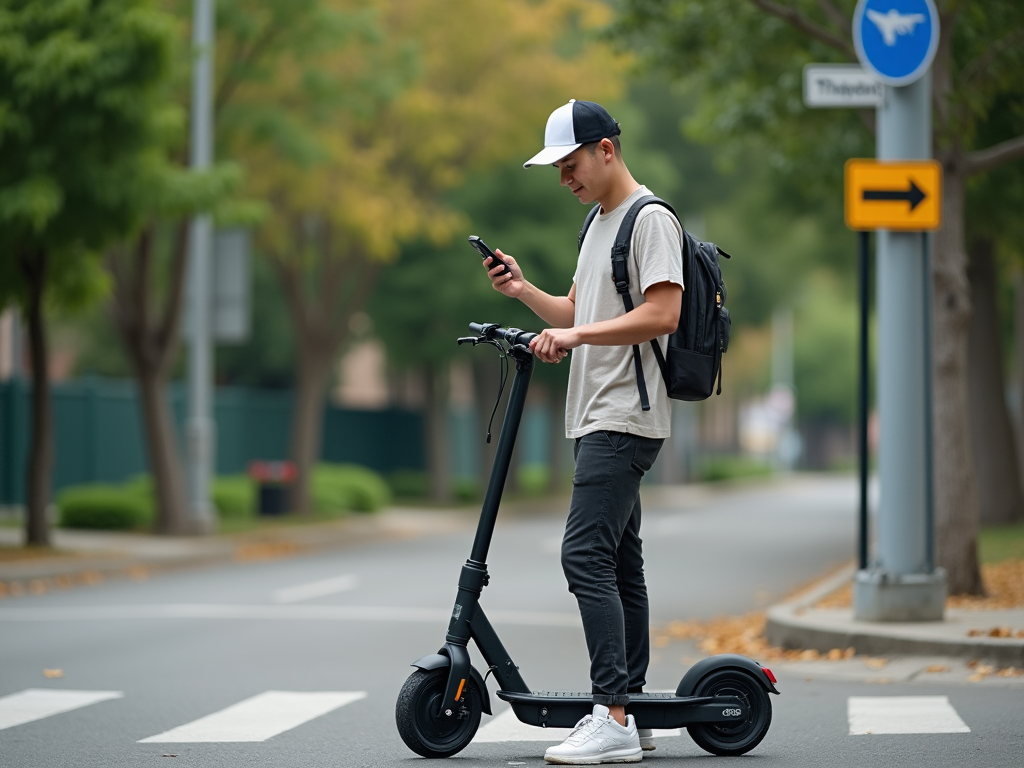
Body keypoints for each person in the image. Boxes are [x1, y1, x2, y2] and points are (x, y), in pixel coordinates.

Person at [483, 99, 684, 765]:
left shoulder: (649, 219)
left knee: (584, 557)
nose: (564, 179)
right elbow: (577, 310)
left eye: (570, 165)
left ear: (606, 149)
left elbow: (662, 314)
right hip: (596, 410)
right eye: (557, 170)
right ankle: (636, 709)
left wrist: (574, 333)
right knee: (621, 564)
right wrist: (524, 294)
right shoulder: (599, 224)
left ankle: (612, 713)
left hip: (624, 413)